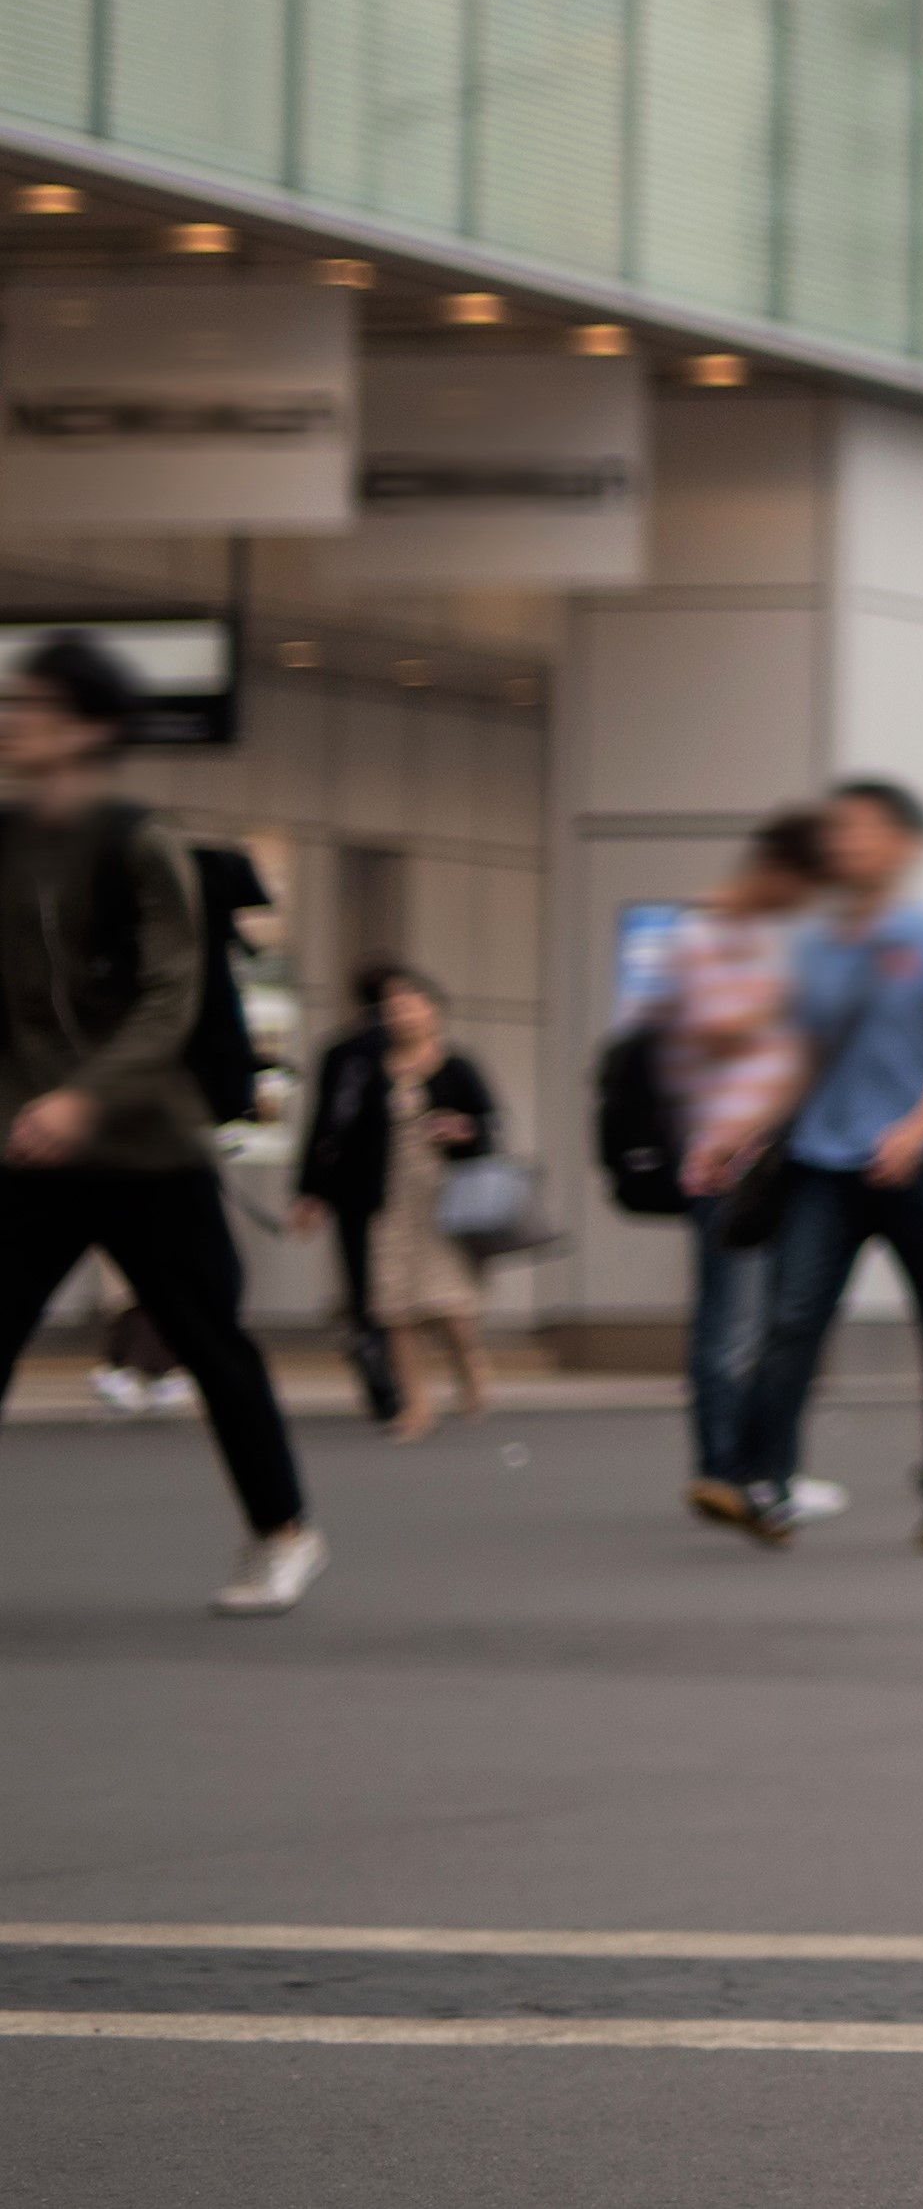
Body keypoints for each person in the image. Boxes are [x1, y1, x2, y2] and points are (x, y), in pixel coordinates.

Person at [0, 631, 325, 1613]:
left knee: (211, 1342)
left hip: (146, 1145)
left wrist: (86, 1094)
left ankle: (283, 1531)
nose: (13, 717)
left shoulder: (141, 841)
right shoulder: (5, 840)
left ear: (93, 728)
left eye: (35, 704)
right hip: (31, 1149)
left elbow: (172, 995)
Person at [706, 776, 923, 1555]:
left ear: (905, 846)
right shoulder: (812, 942)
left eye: (864, 829)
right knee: (793, 1320)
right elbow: (800, 1059)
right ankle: (766, 1483)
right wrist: (743, 1130)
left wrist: (916, 1128)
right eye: (838, 830)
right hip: (822, 1164)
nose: (845, 842)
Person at [660, 814, 829, 1528]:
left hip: (762, 1150)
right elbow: (711, 1031)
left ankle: (745, 1465)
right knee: (738, 1320)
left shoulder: (751, 937)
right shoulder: (705, 934)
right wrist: (792, 1002)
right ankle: (729, 1467)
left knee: (749, 1316)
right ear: (777, 870)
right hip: (729, 1153)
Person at [296, 965, 501, 1442]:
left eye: (411, 1005)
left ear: (433, 1011)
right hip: (383, 1201)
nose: (402, 1016)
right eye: (393, 1009)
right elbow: (331, 1130)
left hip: (444, 1201)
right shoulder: (364, 1067)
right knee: (393, 1308)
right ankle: (416, 1406)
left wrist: (461, 1130)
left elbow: (490, 1128)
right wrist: (314, 1190)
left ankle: (471, 1372)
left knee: (451, 1305)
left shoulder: (456, 1066)